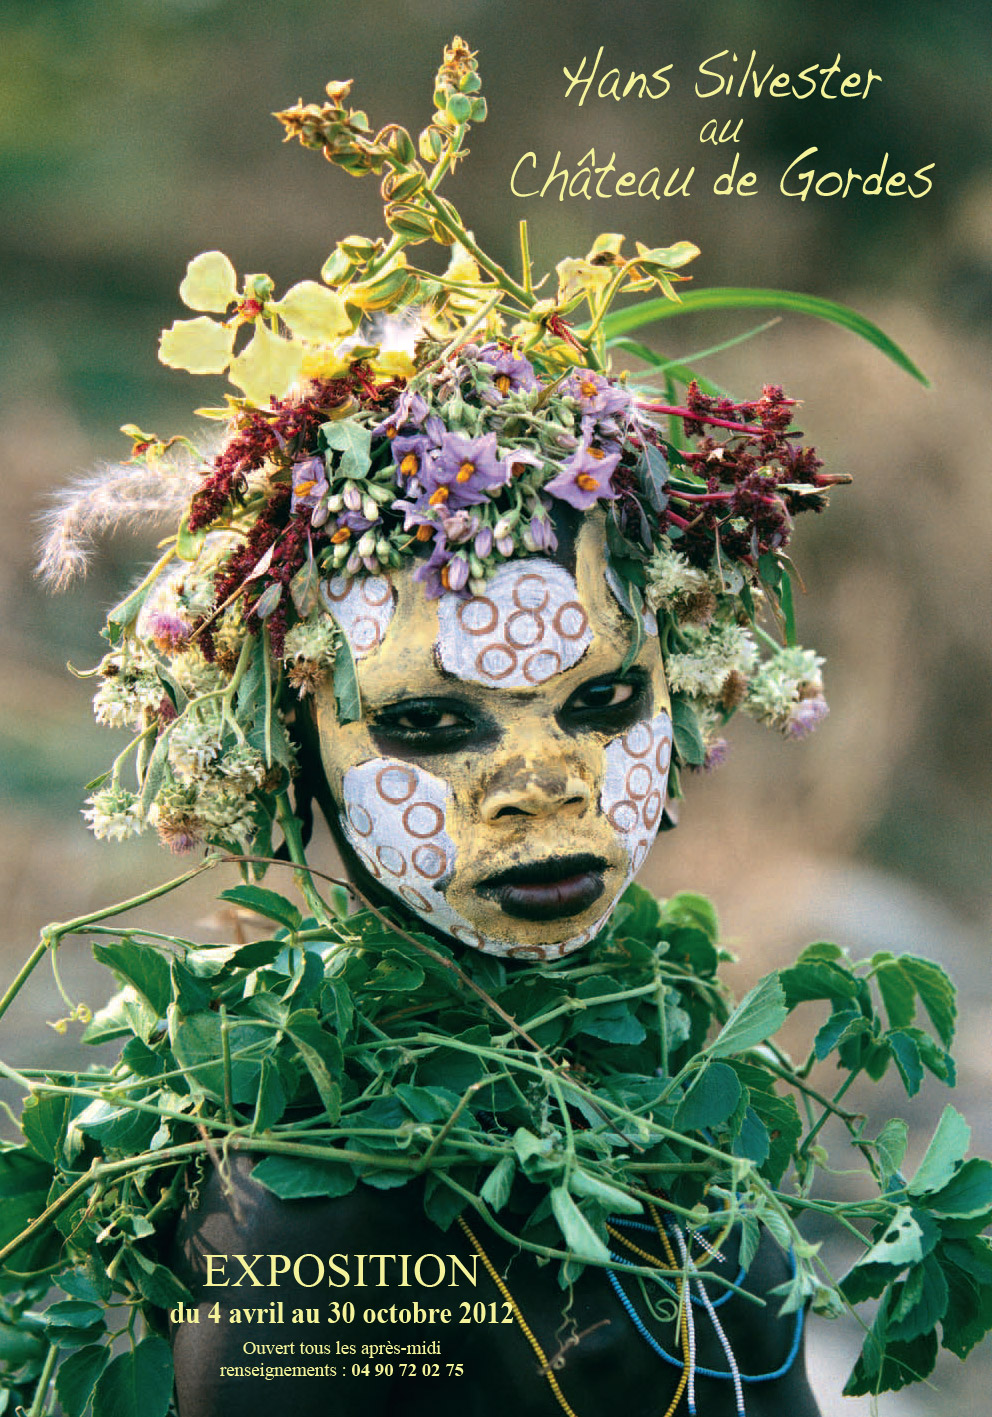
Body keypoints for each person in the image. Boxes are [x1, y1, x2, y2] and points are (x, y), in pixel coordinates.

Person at [169, 509, 822, 1417]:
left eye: (604, 700)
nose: (544, 783)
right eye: (429, 719)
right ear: (291, 749)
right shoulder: (305, 1227)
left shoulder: (670, 1086)